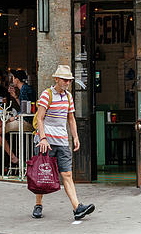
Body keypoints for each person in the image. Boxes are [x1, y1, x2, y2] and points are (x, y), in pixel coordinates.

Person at [32, 64, 94, 221]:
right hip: (46, 141)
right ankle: (38, 205)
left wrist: (75, 137)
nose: (67, 83)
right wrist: (43, 138)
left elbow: (71, 119)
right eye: (65, 80)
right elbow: (39, 118)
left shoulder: (68, 97)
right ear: (56, 79)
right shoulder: (47, 95)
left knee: (67, 173)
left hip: (62, 141)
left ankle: (77, 208)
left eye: (69, 80)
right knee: (42, 174)